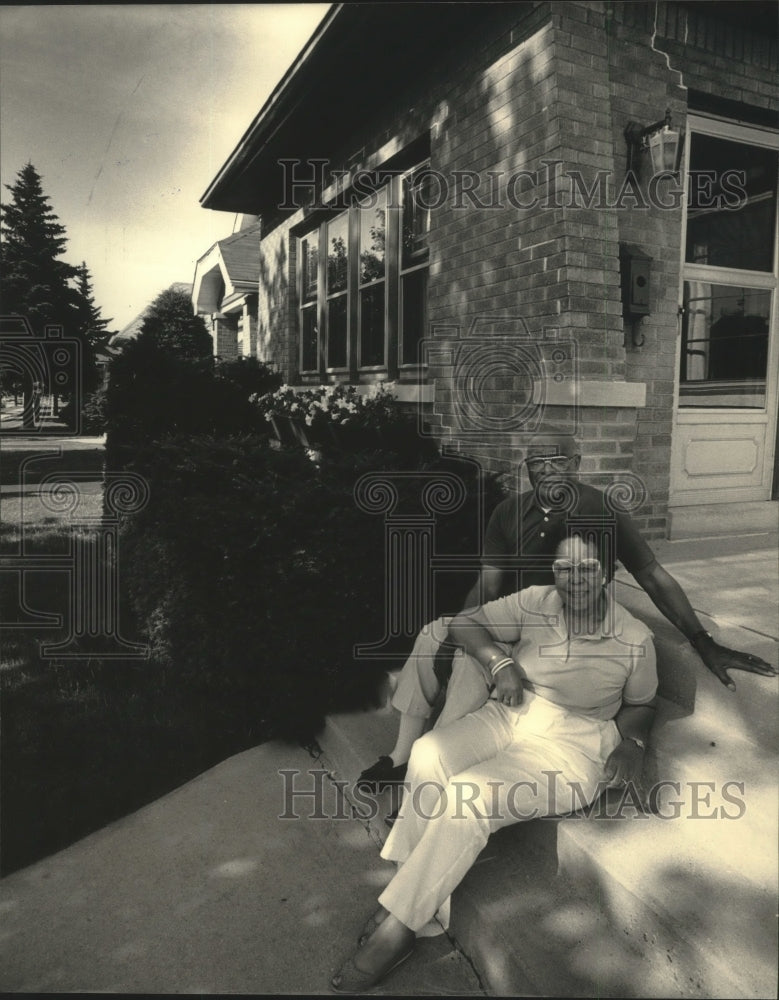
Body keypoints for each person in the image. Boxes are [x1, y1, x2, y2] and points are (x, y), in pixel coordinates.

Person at [356, 430, 777, 799]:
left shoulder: (603, 510)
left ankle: (433, 774)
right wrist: (468, 625)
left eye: (559, 460)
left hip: (557, 629)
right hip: (513, 613)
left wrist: (702, 640)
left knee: (471, 664)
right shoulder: (508, 512)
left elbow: (651, 574)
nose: (548, 469)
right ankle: (402, 754)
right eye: (538, 462)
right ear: (528, 469)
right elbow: (488, 582)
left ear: (576, 464)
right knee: (434, 634)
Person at [331, 532, 658, 992]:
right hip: (512, 712)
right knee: (428, 753)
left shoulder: (634, 638)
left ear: (610, 573)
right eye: (565, 568)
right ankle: (414, 892)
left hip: (572, 745)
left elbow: (642, 702)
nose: (575, 579)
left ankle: (400, 926)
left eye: (588, 568)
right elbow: (464, 623)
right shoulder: (537, 600)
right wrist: (500, 663)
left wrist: (633, 744)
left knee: (469, 795)